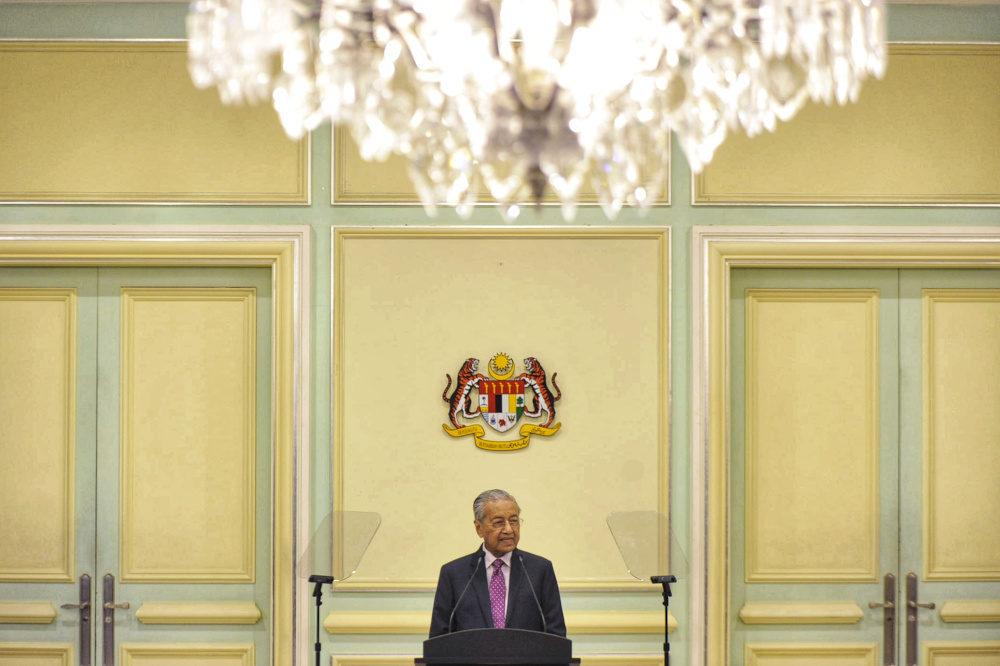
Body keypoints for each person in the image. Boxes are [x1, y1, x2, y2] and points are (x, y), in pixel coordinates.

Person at [429, 489, 567, 637]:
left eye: (513, 521)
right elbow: (439, 639)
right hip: (471, 659)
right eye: (498, 523)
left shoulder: (540, 570)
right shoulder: (453, 573)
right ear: (478, 528)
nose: (508, 529)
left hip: (526, 659)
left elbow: (556, 634)